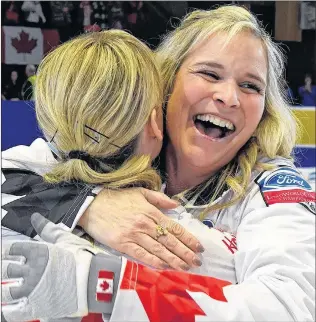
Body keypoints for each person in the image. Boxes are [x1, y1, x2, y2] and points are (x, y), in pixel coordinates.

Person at [1, 5, 315, 322]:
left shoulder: (274, 190)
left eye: (251, 86)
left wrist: (107, 286)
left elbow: (291, 308)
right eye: (210, 74)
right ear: (166, 81)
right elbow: (13, 173)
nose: (229, 97)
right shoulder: (114, 147)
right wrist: (88, 206)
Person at [2, 28, 237, 322]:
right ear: (155, 122)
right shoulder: (192, 248)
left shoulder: (15, 201)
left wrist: (82, 204)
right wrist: (87, 205)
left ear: (50, 120)